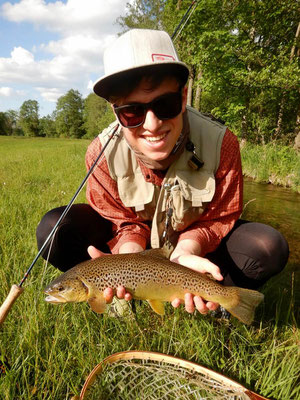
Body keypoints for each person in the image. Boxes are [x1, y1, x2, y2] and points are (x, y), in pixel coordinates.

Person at [37, 29, 289, 316]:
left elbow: (219, 218)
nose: (152, 124)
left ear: (183, 98)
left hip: (193, 255)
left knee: (268, 246)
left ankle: (217, 300)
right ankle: (125, 301)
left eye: (165, 105)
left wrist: (187, 252)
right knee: (54, 229)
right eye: (132, 112)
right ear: (115, 111)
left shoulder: (222, 143)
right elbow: (122, 222)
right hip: (135, 257)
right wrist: (128, 257)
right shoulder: (100, 154)